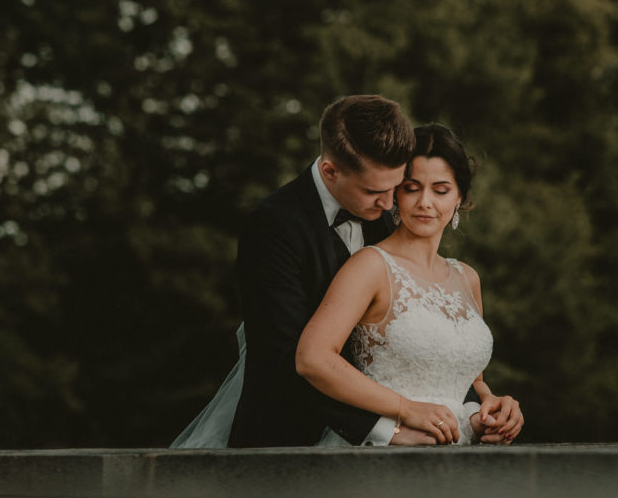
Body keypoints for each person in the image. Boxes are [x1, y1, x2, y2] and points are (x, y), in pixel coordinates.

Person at [172, 95, 467, 448]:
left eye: (396, 186)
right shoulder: (274, 226)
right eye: (374, 191)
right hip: (287, 447)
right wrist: (389, 428)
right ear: (330, 171)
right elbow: (282, 358)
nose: (391, 205)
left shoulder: (386, 217)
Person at [296, 123, 523, 445]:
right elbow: (313, 359)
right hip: (389, 448)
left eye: (441, 190)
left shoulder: (467, 277)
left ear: (460, 195)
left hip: (464, 453)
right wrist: (405, 410)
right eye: (412, 187)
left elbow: (469, 379)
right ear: (394, 192)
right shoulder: (370, 266)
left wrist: (490, 409)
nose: (425, 202)